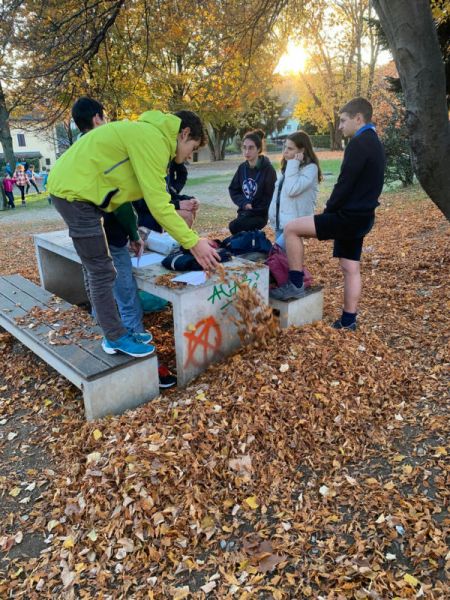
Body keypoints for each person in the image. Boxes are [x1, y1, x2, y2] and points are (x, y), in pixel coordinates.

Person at [48, 99, 220, 359]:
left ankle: (117, 331)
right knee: (101, 269)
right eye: (192, 148)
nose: (189, 155)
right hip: (73, 195)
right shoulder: (153, 140)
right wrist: (193, 242)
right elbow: (160, 205)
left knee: (102, 268)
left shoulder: (147, 135)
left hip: (82, 193)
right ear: (184, 134)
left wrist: (132, 234)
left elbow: (123, 198)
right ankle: (115, 337)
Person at [270, 97, 385, 332]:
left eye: (343, 121)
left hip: (347, 217)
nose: (340, 126)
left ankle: (295, 284)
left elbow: (344, 184)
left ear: (358, 118)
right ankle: (348, 321)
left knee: (292, 229)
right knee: (349, 266)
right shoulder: (375, 142)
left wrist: (329, 211)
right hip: (363, 218)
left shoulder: (359, 143)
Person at [268, 131, 322, 247]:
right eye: (285, 147)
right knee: (281, 261)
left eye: (290, 148)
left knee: (276, 254)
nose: (285, 151)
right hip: (279, 222)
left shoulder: (310, 169)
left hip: (294, 224)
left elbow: (292, 190)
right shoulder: (287, 167)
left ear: (301, 150)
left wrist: (294, 163)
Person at [228, 129, 277, 234]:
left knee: (234, 227)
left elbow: (270, 197)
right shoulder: (242, 168)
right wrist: (244, 203)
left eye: (251, 148)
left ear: (258, 149)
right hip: (244, 213)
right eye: (244, 148)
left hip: (259, 215)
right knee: (237, 232)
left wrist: (254, 209)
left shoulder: (268, 170)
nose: (246, 152)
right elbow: (233, 189)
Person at [134, 159, 199, 231]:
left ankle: (176, 240)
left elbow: (171, 194)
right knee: (186, 215)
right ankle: (180, 240)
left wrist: (190, 199)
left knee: (191, 210)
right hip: (141, 216)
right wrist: (178, 204)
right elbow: (144, 204)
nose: (190, 156)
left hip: (156, 210)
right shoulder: (146, 169)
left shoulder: (163, 167)